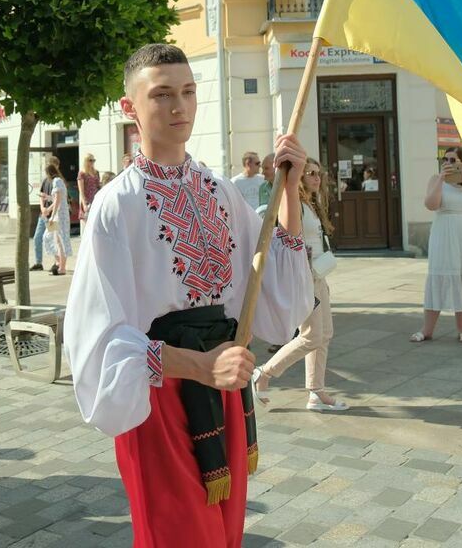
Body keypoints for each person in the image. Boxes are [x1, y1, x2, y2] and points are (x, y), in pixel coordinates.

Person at [64, 44, 313, 548]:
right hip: (157, 398)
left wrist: (290, 190)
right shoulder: (116, 206)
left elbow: (275, 292)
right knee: (179, 537)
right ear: (129, 107)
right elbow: (98, 337)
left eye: (188, 92)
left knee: (223, 535)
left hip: (224, 391)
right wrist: (198, 366)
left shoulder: (219, 190)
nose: (179, 107)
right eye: (161, 94)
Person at [252, 158, 347, 412]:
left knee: (324, 333)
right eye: (310, 174)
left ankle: (316, 392)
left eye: (319, 173)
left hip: (318, 273)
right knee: (311, 335)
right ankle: (264, 373)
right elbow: (289, 239)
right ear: (299, 177)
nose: (316, 178)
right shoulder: (294, 202)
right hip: (306, 277)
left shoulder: (311, 204)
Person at [411, 147, 462, 343]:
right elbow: (431, 204)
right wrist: (440, 180)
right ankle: (427, 329)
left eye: (453, 160)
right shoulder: (435, 179)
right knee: (439, 276)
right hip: (444, 233)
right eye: (445, 159)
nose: (448, 162)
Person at [30, 155, 61, 272]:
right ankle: (38, 262)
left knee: (52, 239)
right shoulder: (45, 180)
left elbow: (59, 199)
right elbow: (41, 195)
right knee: (38, 238)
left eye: (50, 165)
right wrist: (42, 207)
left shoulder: (57, 181)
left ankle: (56, 262)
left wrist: (49, 209)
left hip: (53, 216)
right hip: (44, 215)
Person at [43, 164, 71, 276]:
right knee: (48, 237)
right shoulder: (58, 181)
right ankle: (59, 264)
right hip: (58, 215)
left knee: (60, 240)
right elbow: (57, 199)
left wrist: (52, 215)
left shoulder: (57, 181)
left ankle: (62, 267)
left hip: (60, 216)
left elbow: (58, 200)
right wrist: (48, 199)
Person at [78, 154, 101, 235]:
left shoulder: (96, 172)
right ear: (86, 161)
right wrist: (84, 203)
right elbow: (81, 190)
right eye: (90, 160)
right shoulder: (82, 173)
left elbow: (99, 186)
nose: (92, 162)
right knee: (88, 225)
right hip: (87, 200)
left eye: (93, 160)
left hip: (96, 199)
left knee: (96, 223)